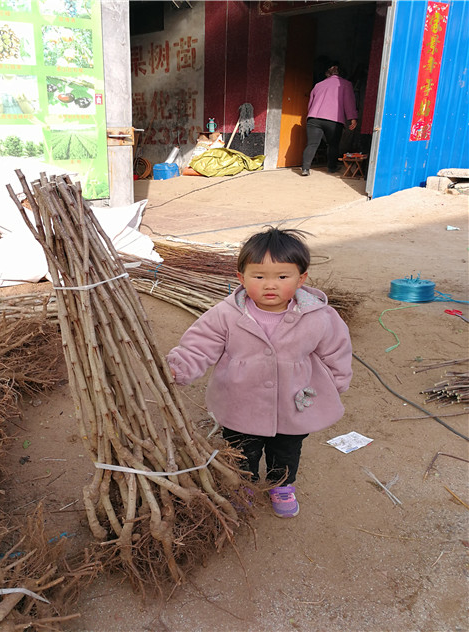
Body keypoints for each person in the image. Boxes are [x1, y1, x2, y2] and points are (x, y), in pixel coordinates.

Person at [166, 227, 353, 518]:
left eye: (282, 277)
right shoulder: (226, 315)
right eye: (259, 276)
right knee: (242, 450)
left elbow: (336, 352)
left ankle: (282, 484)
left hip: (294, 402)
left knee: (288, 449)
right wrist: (179, 368)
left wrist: (336, 383)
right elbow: (199, 346)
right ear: (241, 278)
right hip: (240, 401)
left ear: (301, 278)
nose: (270, 285)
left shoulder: (319, 316)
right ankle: (244, 485)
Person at [301, 64, 358, 176]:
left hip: (314, 118)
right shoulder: (346, 84)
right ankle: (332, 168)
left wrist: (310, 115)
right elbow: (349, 103)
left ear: (328, 73)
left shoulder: (318, 85)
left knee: (312, 144)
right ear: (342, 73)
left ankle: (305, 169)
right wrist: (352, 118)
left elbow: (311, 104)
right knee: (333, 144)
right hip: (333, 120)